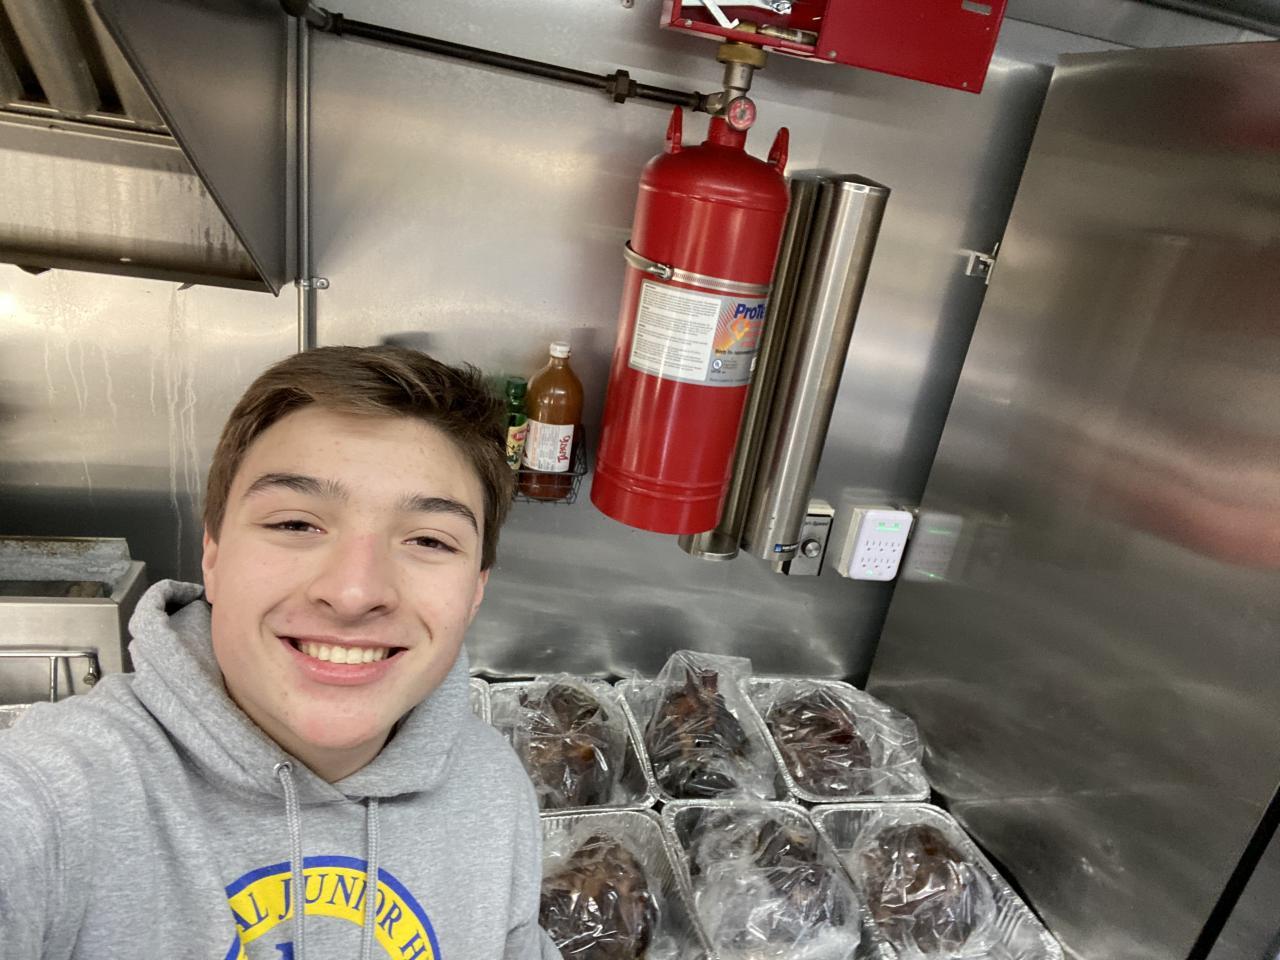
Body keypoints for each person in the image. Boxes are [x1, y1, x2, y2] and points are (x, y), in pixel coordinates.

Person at [0, 346, 563, 959]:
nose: (354, 593)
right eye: (296, 524)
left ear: (475, 590)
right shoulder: (55, 797)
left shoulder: (491, 785)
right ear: (213, 556)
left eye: (429, 540)